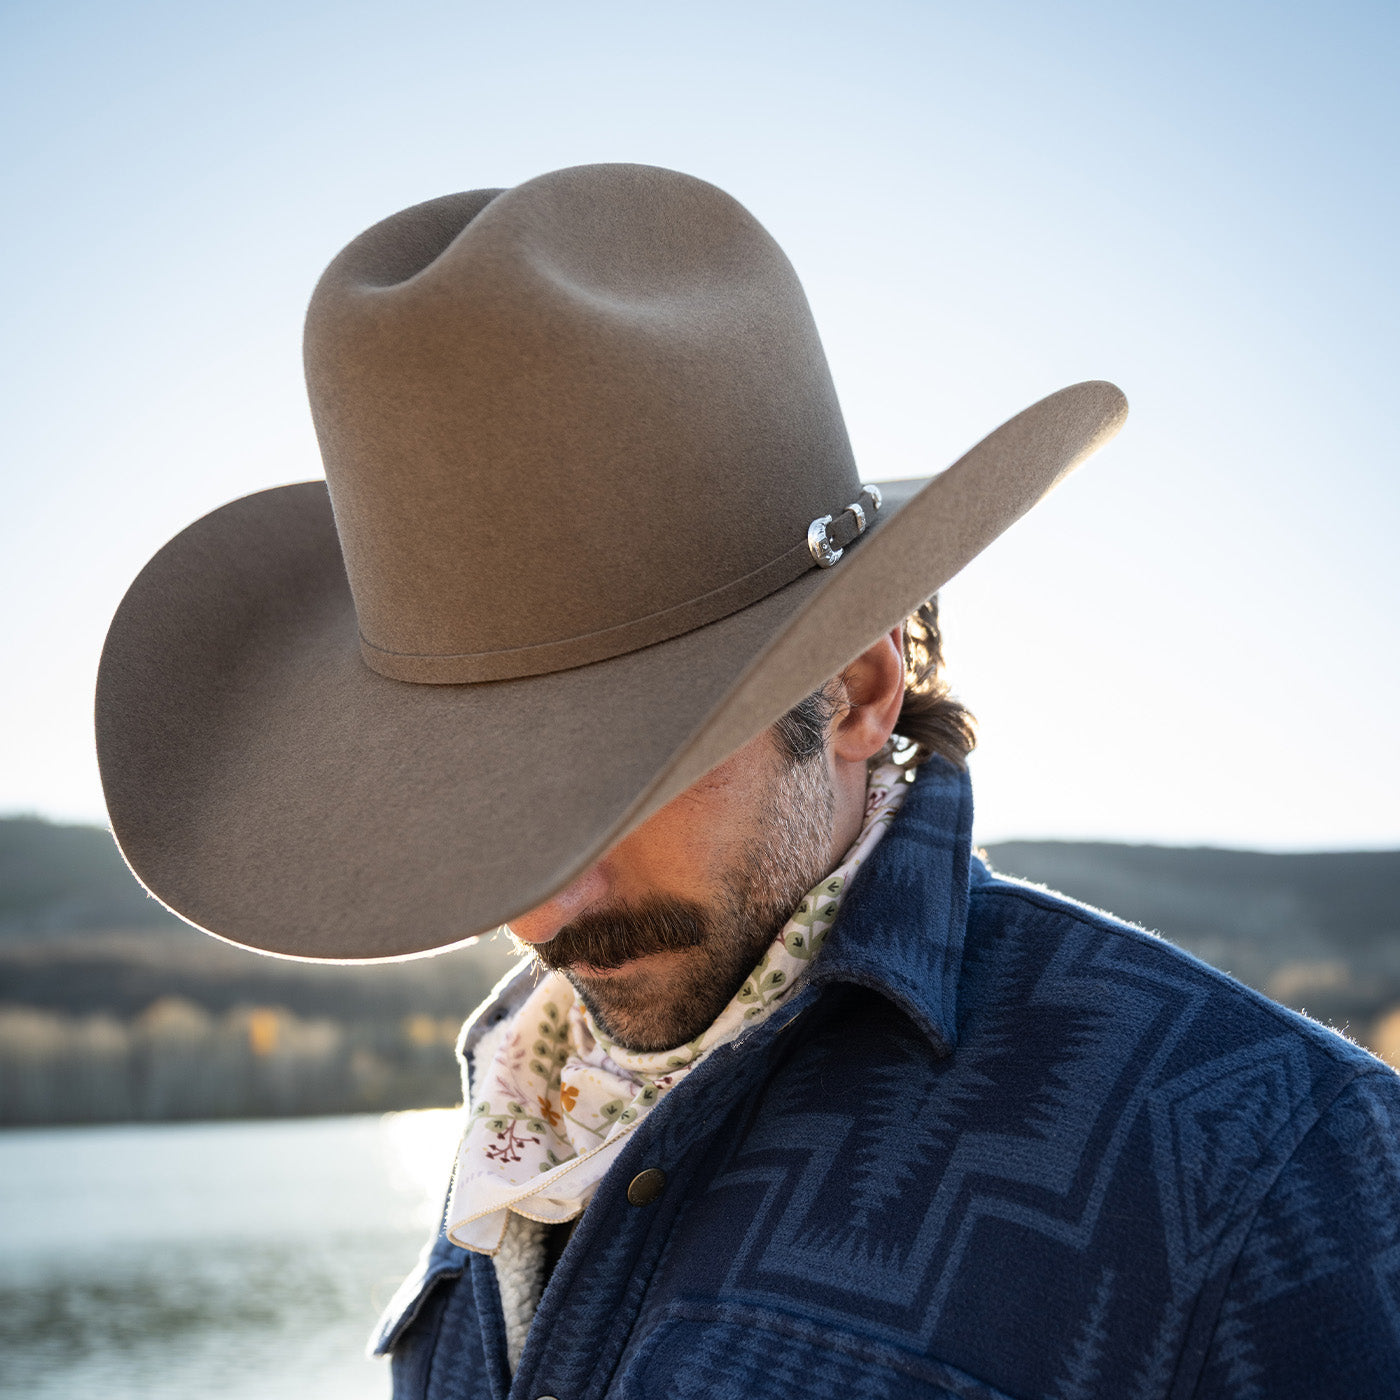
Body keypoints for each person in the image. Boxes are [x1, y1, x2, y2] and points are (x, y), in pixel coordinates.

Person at [96, 164, 1400, 1399]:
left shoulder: (1268, 1156)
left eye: (622, 776)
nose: (546, 909)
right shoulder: (533, 1099)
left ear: (858, 690)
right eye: (478, 806)